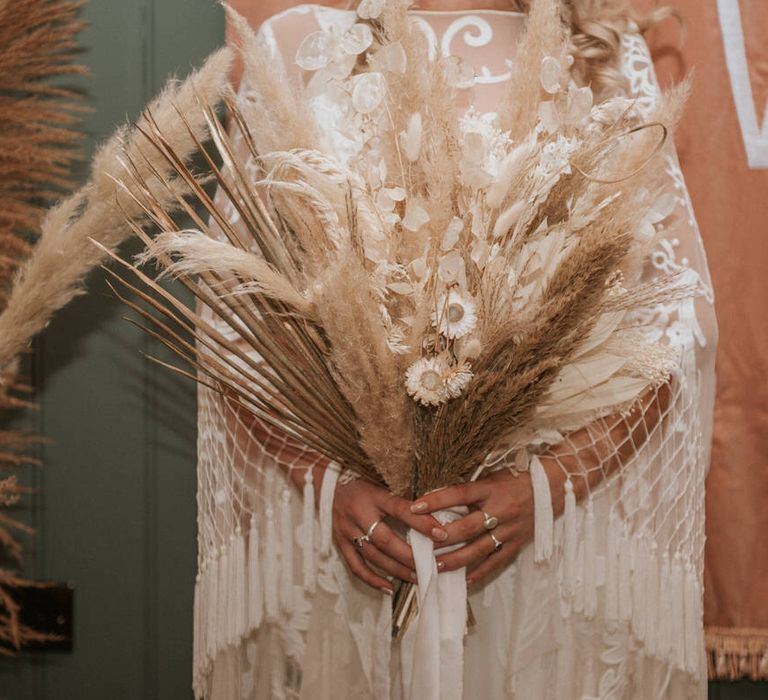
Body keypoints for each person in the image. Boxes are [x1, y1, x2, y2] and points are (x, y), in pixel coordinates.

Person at [193, 2, 718, 698]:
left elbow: (678, 326)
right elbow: (232, 319)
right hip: (355, 548)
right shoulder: (295, 45)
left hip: (533, 547)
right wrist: (324, 480)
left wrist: (548, 487)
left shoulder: (602, 55)